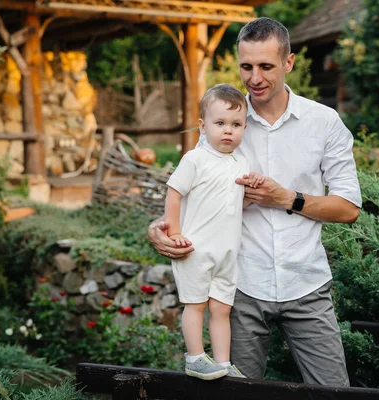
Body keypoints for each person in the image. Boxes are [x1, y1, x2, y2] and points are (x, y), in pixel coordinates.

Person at [150, 17, 361, 387]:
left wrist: (286, 198)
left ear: (289, 63)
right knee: (233, 393)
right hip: (239, 289)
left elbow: (348, 208)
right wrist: (159, 228)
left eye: (266, 66)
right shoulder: (224, 121)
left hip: (307, 283)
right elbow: (188, 191)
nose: (254, 78)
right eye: (246, 66)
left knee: (334, 391)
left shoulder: (325, 123)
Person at [164, 83, 264, 380]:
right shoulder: (195, 159)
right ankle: (195, 357)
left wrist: (252, 189)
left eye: (236, 125)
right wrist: (174, 233)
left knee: (221, 310)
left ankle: (222, 362)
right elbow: (173, 193)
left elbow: (237, 203)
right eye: (220, 123)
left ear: (245, 127)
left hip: (227, 252)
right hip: (196, 249)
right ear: (202, 126)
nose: (228, 131)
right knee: (195, 305)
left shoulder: (242, 163)